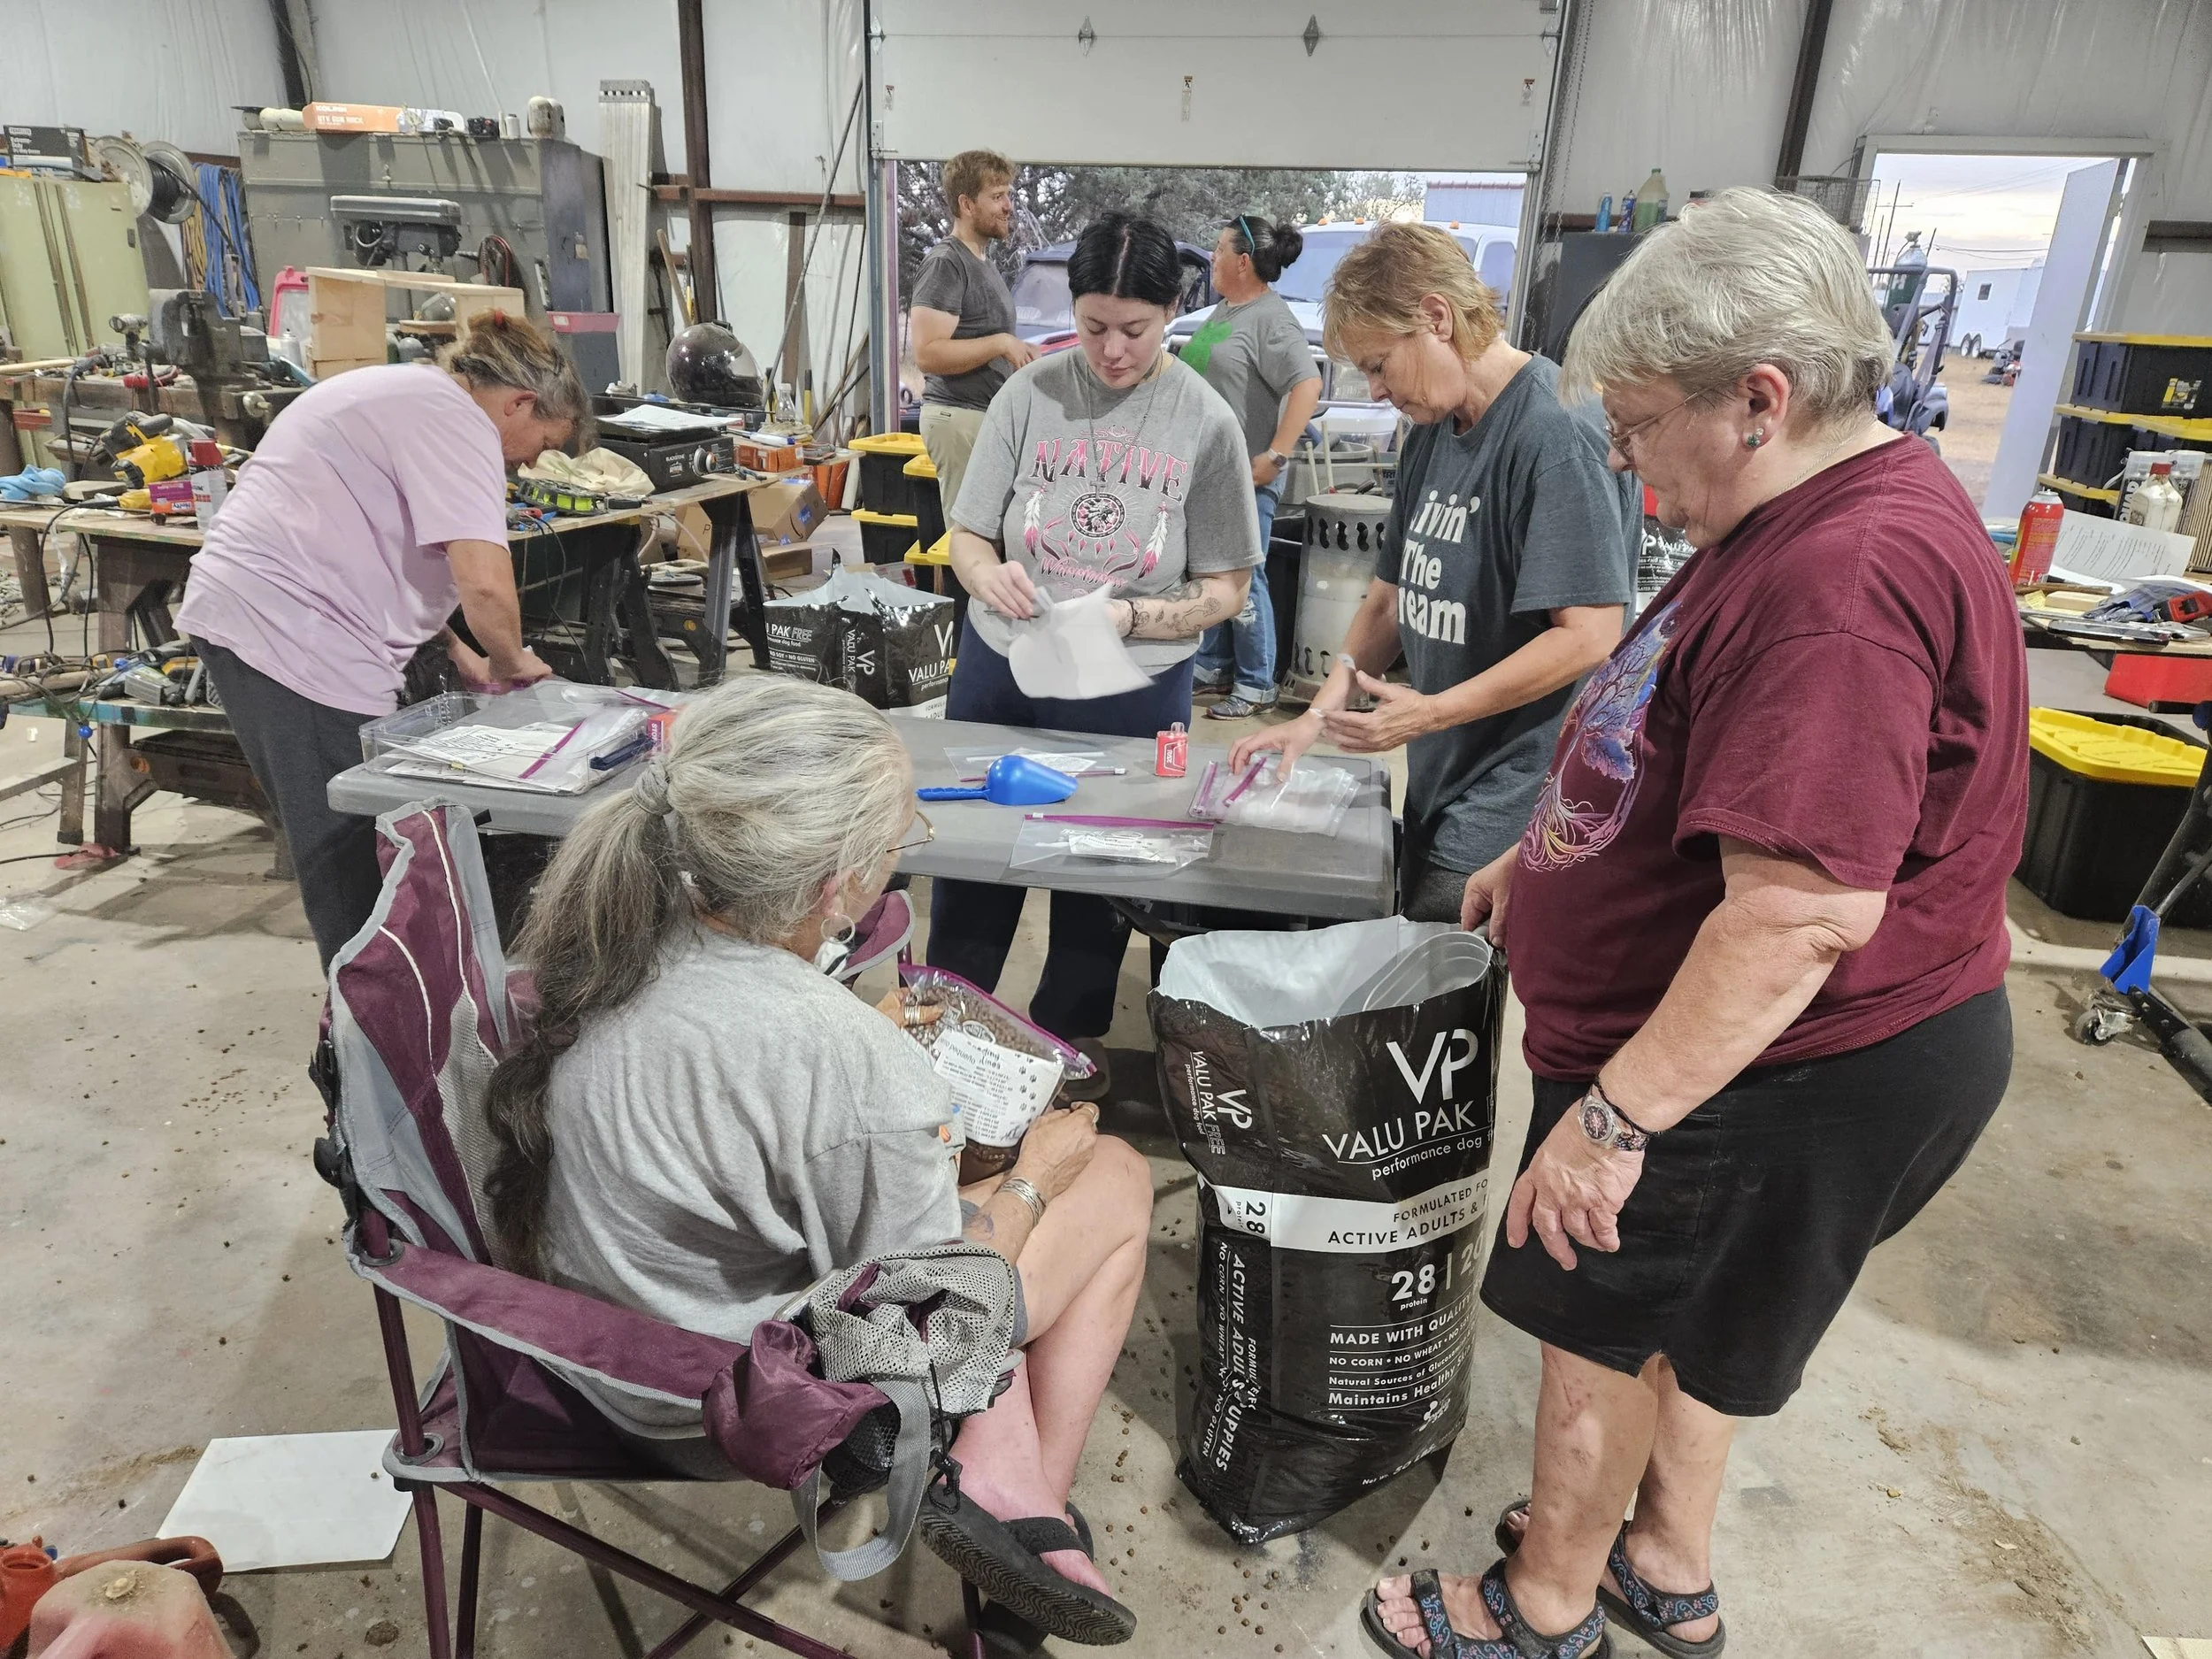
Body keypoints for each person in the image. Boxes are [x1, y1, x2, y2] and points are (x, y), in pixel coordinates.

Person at [1362, 188, 2027, 1659]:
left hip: (1770, 1064)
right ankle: (1661, 1561)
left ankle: (1538, 1613)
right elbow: (1682, 742)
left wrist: (1615, 1120)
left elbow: (1800, 916)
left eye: (1644, 421)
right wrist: (1546, 865)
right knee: (1695, 1317)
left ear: (1761, 400)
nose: (1624, 458)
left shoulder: (1838, 581)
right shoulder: (1818, 504)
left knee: (1600, 1314)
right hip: (1790, 1053)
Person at [481, 676, 1155, 1647]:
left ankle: (1010, 1489)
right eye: (899, 841)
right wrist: (1032, 1179)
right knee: (1118, 1176)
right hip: (733, 1391)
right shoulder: (845, 1060)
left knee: (994, 1185)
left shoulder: (618, 926)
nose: (901, 854)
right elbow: (931, 1306)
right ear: (839, 885)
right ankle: (1023, 1503)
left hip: (597, 1337)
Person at [930, 211, 1262, 1087]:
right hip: (1002, 671)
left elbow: (1230, 587)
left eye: (1135, 331)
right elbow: (965, 534)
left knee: (1098, 877)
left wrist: (1137, 620)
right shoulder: (1026, 394)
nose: (1112, 352)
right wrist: (982, 574)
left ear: (1174, 311)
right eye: (1092, 328)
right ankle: (950, 1044)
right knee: (973, 866)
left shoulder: (1205, 422)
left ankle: (1061, 1060)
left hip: (1129, 685)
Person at [1231, 223, 1636, 922]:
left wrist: (1428, 712)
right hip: (1439, 774)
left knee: (1438, 987)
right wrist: (1317, 718)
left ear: (1437, 317)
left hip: (1510, 793)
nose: (1377, 389)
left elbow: (1591, 635)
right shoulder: (1431, 434)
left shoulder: (1555, 431)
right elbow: (1387, 603)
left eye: (1382, 365)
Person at [176, 312, 577, 967]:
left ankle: (393, 1011)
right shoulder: (461, 422)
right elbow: (485, 585)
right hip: (294, 639)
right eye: (542, 440)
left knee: (369, 847)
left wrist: (459, 652)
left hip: (272, 622)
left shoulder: (412, 395)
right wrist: (514, 663)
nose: (532, 460)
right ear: (520, 402)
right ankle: (369, 1039)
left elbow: (388, 546)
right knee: (351, 856)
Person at [1185, 214, 1323, 718]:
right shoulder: (1225, 311)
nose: (1213, 258)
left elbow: (1307, 384)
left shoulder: (1270, 317)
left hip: (1248, 474)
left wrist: (1275, 454)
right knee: (1215, 570)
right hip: (1212, 473)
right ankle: (1216, 664)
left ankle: (1256, 680)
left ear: (1243, 262)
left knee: (1246, 576)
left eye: (1219, 250)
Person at [912, 149, 1038, 523]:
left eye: (1008, 195)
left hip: (979, 418)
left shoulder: (981, 261)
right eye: (997, 197)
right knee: (970, 538)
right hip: (958, 418)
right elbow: (928, 354)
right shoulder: (946, 263)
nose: (1009, 207)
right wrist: (1000, 344)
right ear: (966, 204)